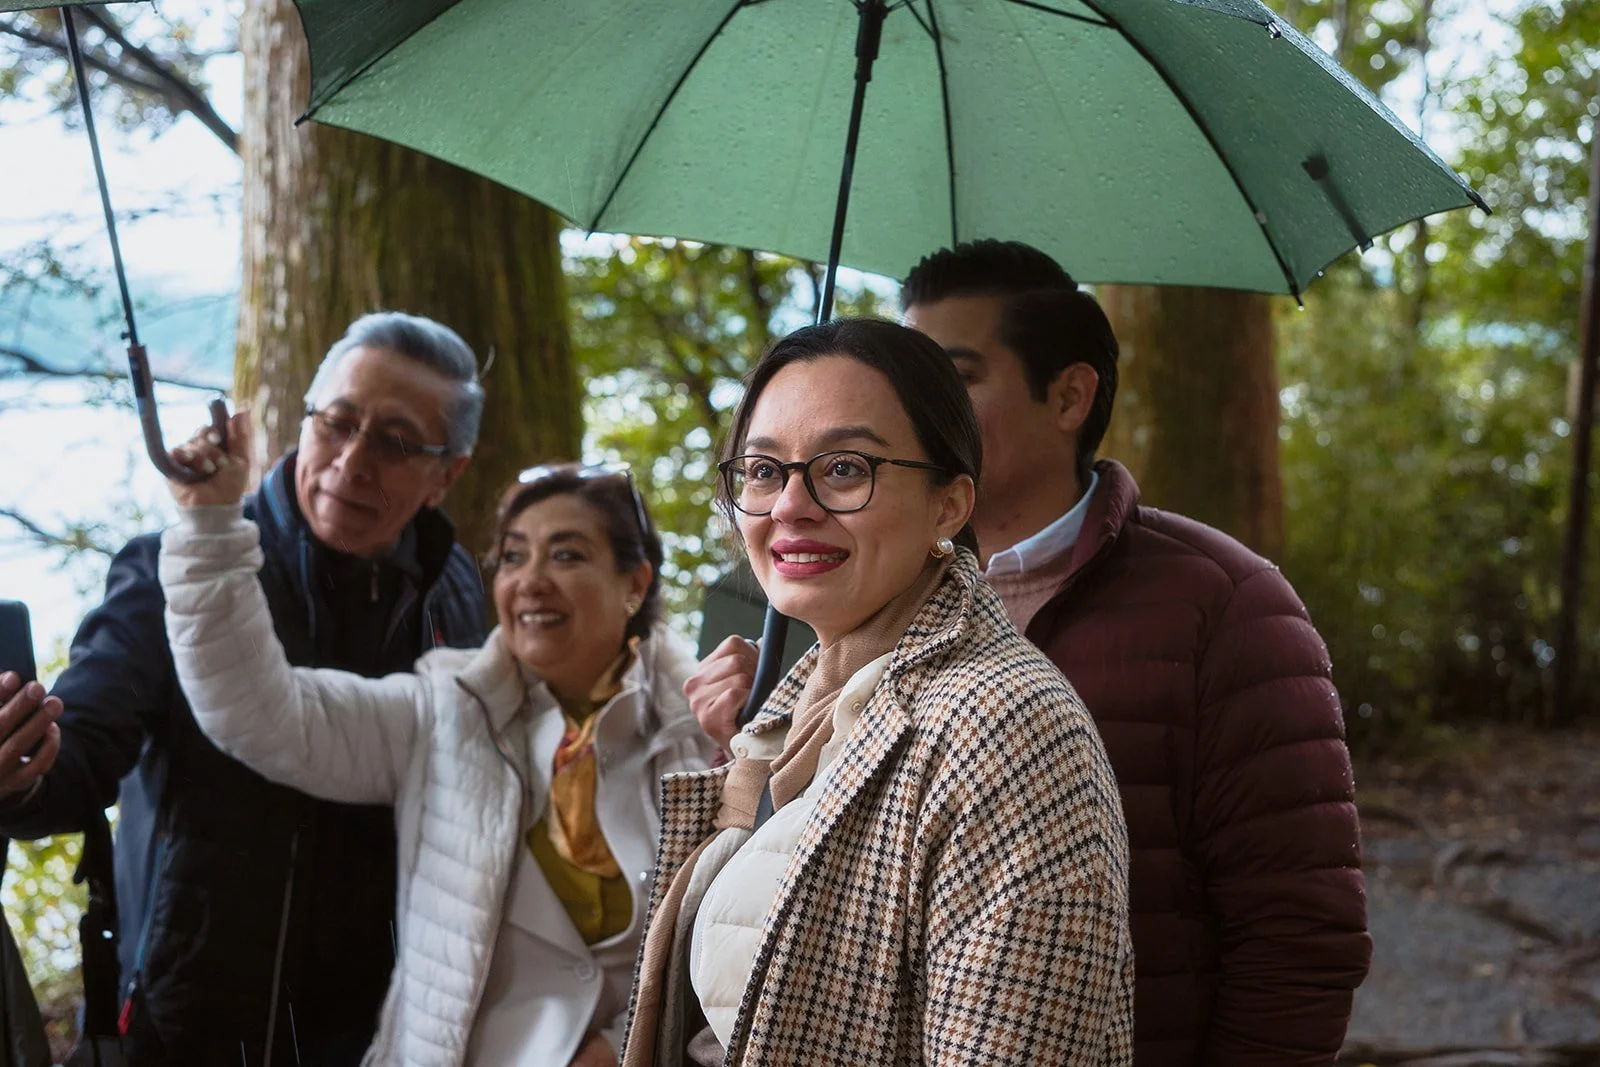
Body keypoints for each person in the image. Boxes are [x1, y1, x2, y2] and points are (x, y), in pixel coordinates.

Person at [690, 244, 1371, 1067]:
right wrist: (749, 756)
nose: (921, 394)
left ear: (1070, 396)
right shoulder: (832, 602)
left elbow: (1297, 936)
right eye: (764, 469)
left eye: (953, 375)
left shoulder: (1223, 603)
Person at [626, 318, 1133, 1067]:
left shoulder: (1006, 727)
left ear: (949, 504)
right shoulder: (800, 710)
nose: (790, 505)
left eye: (843, 468)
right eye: (763, 470)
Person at [0, 312, 489, 1065]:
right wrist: (22, 772)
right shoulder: (178, 568)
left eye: (394, 442)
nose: (352, 461)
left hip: (380, 1031)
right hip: (183, 1026)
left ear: (447, 473)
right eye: (337, 423)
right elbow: (83, 753)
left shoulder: (456, 592)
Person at [159, 427, 718, 1067]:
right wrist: (209, 527)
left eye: (566, 555)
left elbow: (734, 948)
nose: (530, 581)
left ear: (635, 583)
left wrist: (619, 1049)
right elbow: (260, 710)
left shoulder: (705, 736)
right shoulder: (443, 709)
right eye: (513, 557)